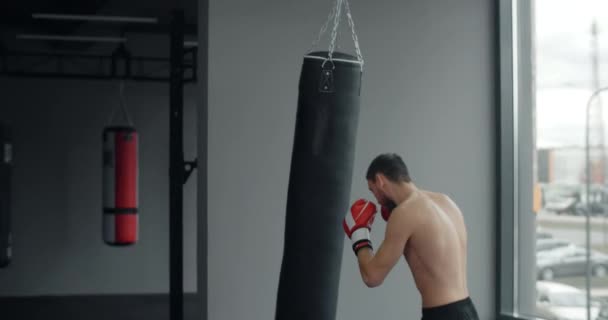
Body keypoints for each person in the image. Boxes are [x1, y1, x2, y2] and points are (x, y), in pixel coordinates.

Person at [342, 153, 479, 320]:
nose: (376, 199)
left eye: (373, 190)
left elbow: (372, 276)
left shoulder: (405, 212)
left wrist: (359, 235)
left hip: (442, 315)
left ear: (380, 180)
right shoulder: (445, 202)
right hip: (468, 310)